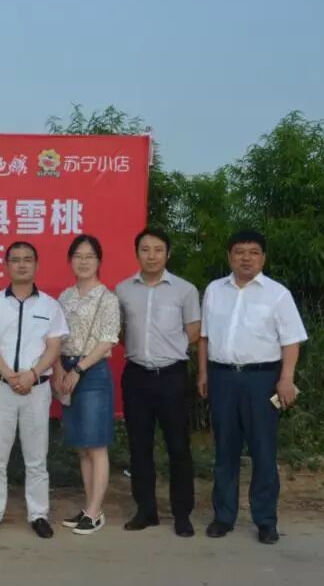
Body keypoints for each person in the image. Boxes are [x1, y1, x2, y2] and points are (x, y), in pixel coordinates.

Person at [197, 229, 307, 545]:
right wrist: (203, 373)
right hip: (222, 377)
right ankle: (223, 516)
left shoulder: (277, 294)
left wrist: (286, 378)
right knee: (225, 450)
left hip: (262, 379)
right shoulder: (215, 290)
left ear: (263, 258)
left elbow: (291, 341)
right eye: (239, 252)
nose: (246, 258)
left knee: (263, 450)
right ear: (229, 256)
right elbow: (204, 337)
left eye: (253, 252)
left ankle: (265, 520)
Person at [0, 241, 69, 539]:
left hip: (37, 389)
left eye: (27, 259)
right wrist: (10, 375)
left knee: (36, 456)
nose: (21, 264)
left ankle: (38, 514)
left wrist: (32, 374)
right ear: (6, 265)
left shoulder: (50, 306)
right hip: (1, 386)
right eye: (15, 260)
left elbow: (54, 346)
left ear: (36, 265)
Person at [115, 228, 200, 538]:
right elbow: (120, 331)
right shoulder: (123, 290)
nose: (151, 256)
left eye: (158, 250)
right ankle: (146, 510)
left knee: (178, 447)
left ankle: (182, 514)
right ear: (137, 253)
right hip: (136, 376)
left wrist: (169, 348)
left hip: (172, 377)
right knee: (139, 447)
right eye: (145, 249)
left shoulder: (185, 290)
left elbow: (193, 331)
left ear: (168, 254)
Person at [53, 234, 120, 536]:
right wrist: (58, 368)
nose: (83, 261)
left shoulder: (107, 298)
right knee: (82, 445)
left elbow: (107, 340)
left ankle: (94, 512)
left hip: (91, 372)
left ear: (99, 261)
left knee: (96, 444)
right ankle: (90, 507)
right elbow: (55, 337)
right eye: (78, 256)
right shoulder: (65, 297)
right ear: (70, 261)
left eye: (89, 256)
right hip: (66, 369)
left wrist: (79, 369)